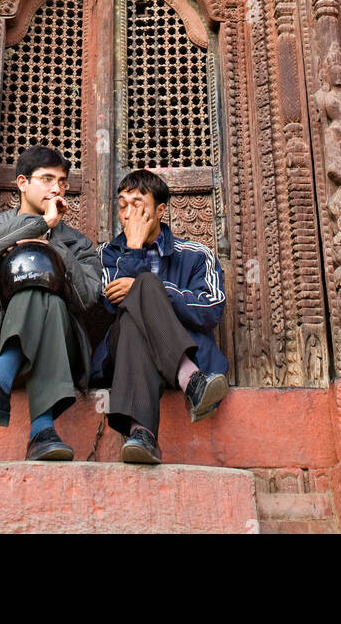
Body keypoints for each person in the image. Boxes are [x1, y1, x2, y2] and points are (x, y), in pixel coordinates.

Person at [0, 146, 103, 461]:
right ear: (21, 183)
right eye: (46, 179)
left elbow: (89, 298)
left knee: (46, 288)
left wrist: (54, 250)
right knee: (41, 294)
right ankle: (42, 432)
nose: (56, 188)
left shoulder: (79, 243)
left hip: (64, 351)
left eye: (61, 181)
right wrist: (39, 225)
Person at [92, 168, 228, 465]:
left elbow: (210, 309)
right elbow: (106, 311)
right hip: (120, 360)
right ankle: (191, 379)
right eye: (122, 205)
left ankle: (141, 434)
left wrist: (157, 290)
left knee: (145, 287)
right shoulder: (104, 256)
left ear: (160, 210)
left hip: (189, 346)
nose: (128, 214)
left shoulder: (195, 254)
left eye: (138, 204)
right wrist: (133, 250)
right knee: (132, 310)